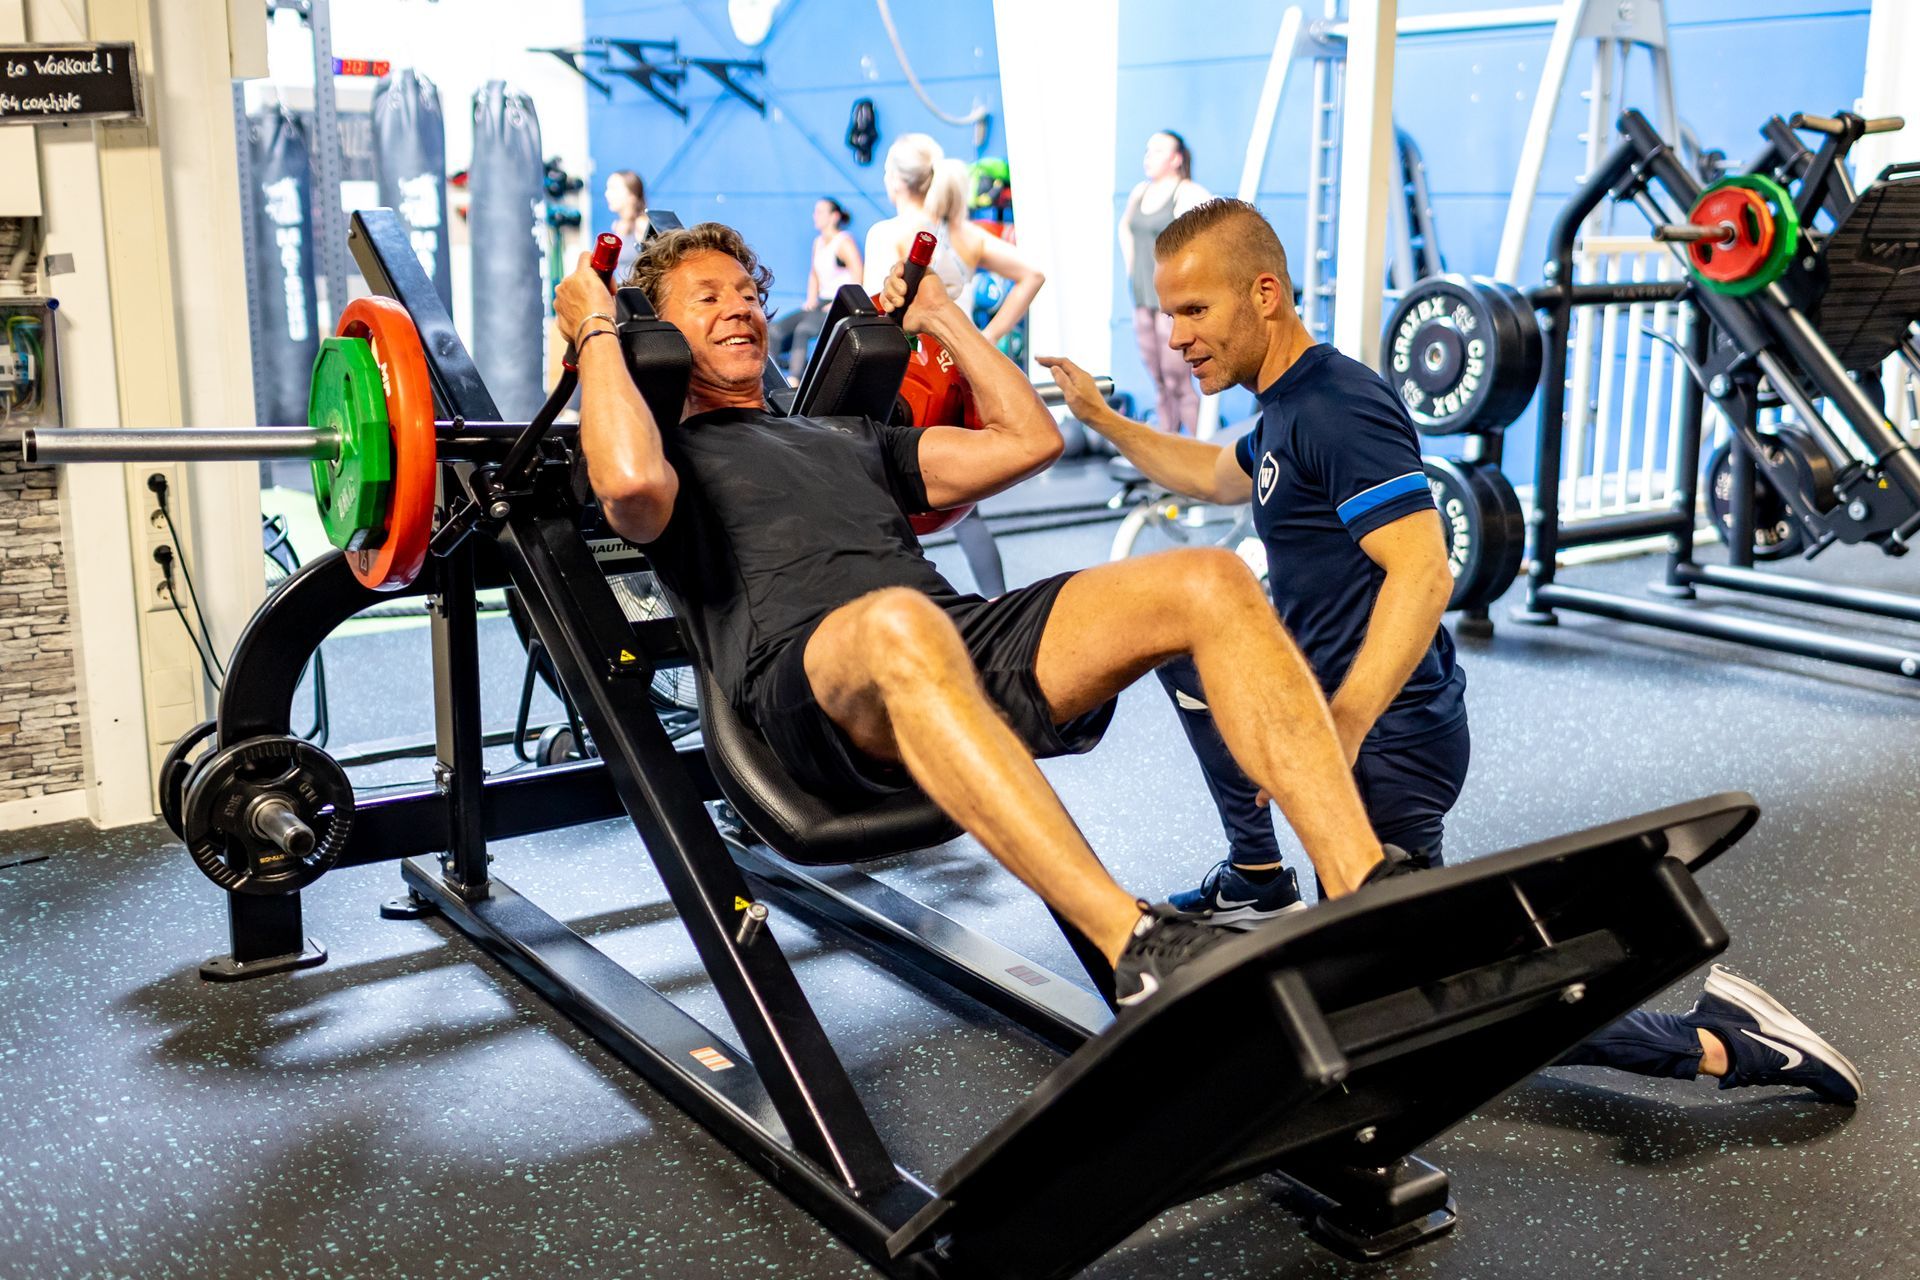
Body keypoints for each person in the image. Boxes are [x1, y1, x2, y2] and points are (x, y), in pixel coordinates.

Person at [1038, 198, 1861, 1102]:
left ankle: (1726, 1045)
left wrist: (1341, 726)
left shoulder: (1339, 406)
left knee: (1432, 995)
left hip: (1388, 739)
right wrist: (1102, 420)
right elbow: (1214, 472)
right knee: (1186, 646)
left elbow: (1424, 573)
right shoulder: (1282, 410)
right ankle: (1258, 876)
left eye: (1194, 311)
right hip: (1344, 719)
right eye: (1166, 314)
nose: (1177, 335)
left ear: (1263, 293)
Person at [552, 220, 1406, 1007]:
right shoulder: (661, 455)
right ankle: (1135, 944)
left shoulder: (845, 436)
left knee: (1210, 580)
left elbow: (1027, 441)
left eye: (747, 295)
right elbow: (625, 483)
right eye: (708, 299)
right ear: (655, 334)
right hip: (810, 692)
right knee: (900, 622)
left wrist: (945, 318)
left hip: (943, 640)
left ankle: (1366, 892)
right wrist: (597, 330)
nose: (739, 309)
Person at [865, 136, 1046, 599]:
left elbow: (868, 319)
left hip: (905, 391)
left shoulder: (888, 234)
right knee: (969, 506)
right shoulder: (959, 234)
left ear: (895, 180)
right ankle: (998, 609)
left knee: (883, 505)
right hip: (959, 380)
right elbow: (1032, 275)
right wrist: (985, 342)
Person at [1118, 131, 1210, 436]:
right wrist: (1134, 269)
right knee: (1159, 382)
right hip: (1142, 298)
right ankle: (1168, 453)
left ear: (1176, 158)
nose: (1149, 156)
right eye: (1147, 150)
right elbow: (1125, 229)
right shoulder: (1140, 193)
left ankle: (1200, 457)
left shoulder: (1190, 194)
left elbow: (1204, 245)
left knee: (1178, 381)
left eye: (1158, 151)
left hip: (1171, 306)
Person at [769, 197, 864, 382]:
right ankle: (774, 377)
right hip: (820, 302)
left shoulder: (844, 242)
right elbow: (814, 273)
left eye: (820, 211)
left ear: (834, 216)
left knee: (803, 330)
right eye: (815, 211)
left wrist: (842, 303)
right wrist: (811, 299)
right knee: (775, 329)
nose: (815, 215)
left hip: (837, 304)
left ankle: (794, 381)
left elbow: (858, 272)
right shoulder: (818, 242)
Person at [605, 169, 649, 283]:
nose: (607, 194)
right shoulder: (617, 226)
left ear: (631, 195)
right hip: (622, 294)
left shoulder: (642, 225)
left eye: (613, 189)